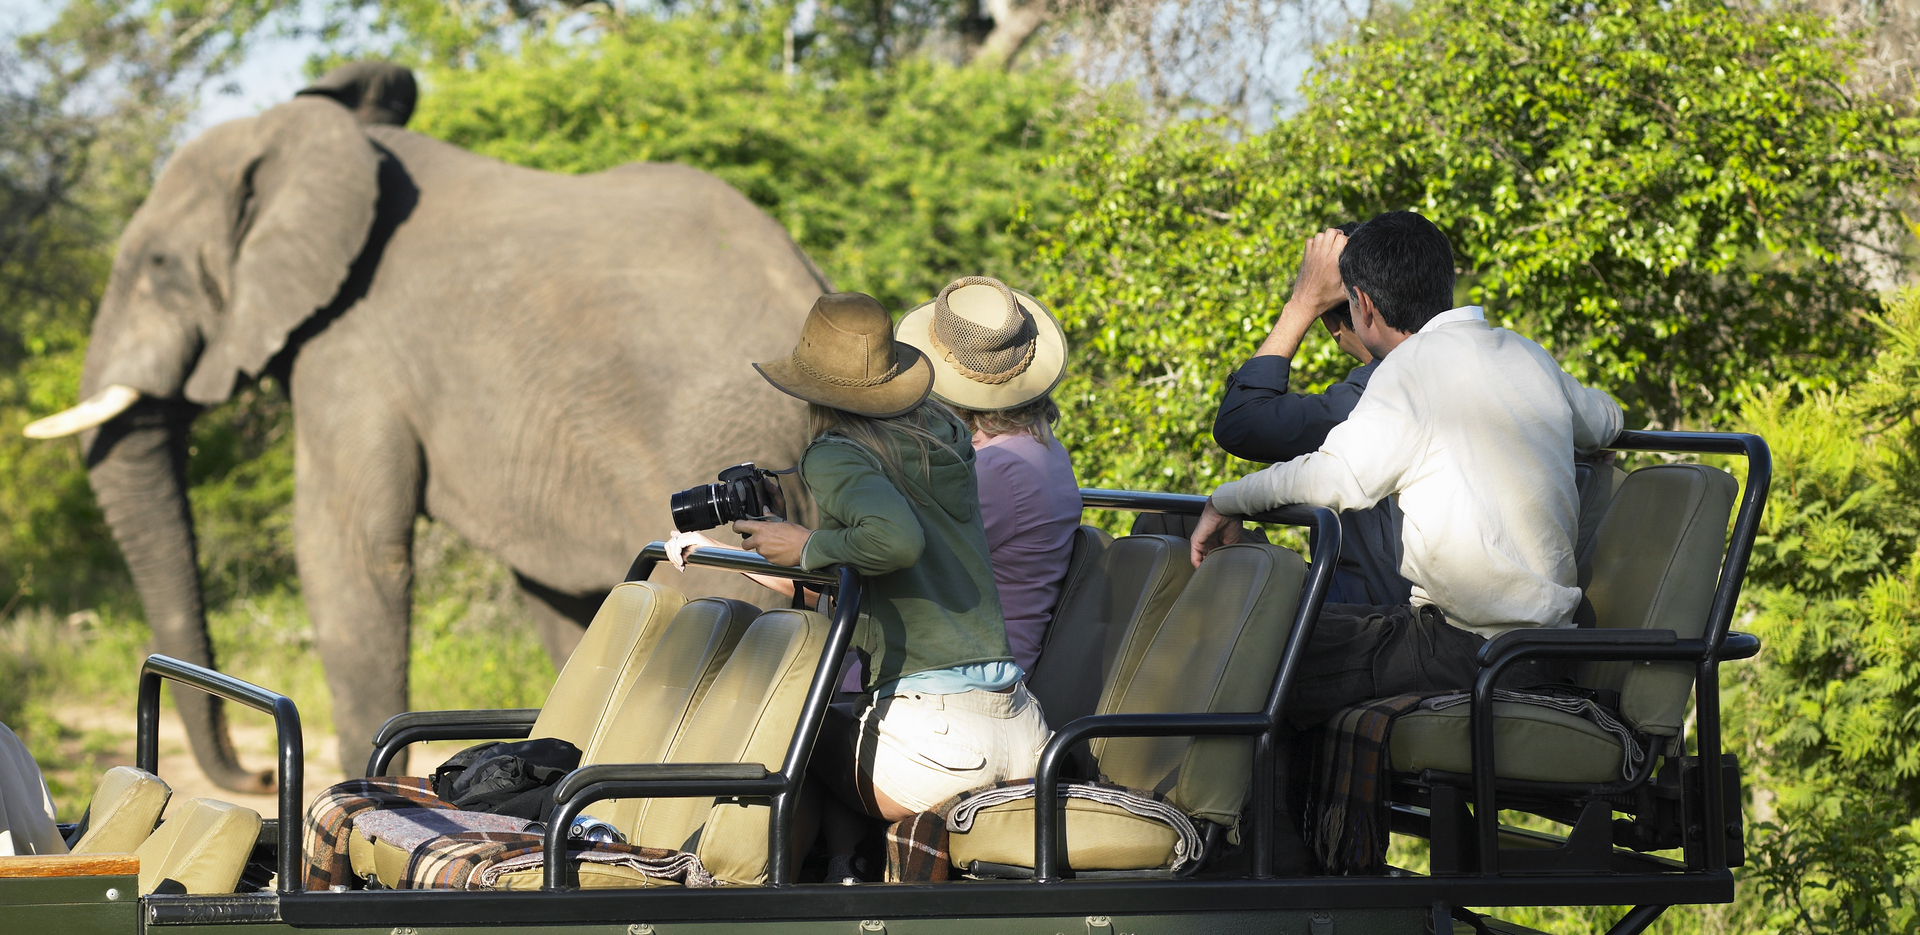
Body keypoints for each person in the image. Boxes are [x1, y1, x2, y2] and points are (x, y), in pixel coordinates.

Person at [1192, 212, 1622, 873]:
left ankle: (1283, 876)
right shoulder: (1524, 353)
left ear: (1362, 305)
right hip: (1537, 643)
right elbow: (1606, 418)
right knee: (1298, 637)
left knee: (1251, 658)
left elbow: (1334, 478)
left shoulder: (1407, 370)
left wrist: (1225, 499)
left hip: (1462, 648)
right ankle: (1301, 862)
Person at [681, 292, 1050, 884]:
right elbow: (901, 532)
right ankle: (855, 870)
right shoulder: (943, 436)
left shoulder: (835, 451)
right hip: (1021, 728)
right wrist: (803, 526)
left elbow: (896, 541)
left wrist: (805, 547)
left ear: (809, 386)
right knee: (832, 724)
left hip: (938, 748)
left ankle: (813, 886)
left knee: (792, 731)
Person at [1212, 223, 1411, 606]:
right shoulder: (1482, 366)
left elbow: (1239, 424)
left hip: (1380, 623)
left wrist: (1302, 303)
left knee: (1173, 525)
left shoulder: (1376, 394)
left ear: (1343, 322)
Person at [896, 276, 1080, 676]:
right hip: (965, 658)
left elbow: (898, 569)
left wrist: (776, 557)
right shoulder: (1037, 446)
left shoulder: (995, 469)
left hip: (960, 673)